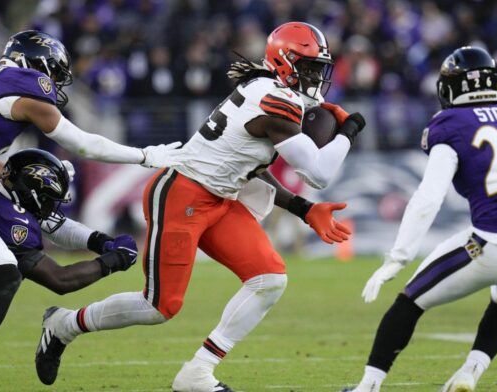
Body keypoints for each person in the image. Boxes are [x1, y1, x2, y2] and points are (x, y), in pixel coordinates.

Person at [34, 22, 364, 392]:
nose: (316, 77)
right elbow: (319, 172)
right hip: (182, 194)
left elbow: (247, 168)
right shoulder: (276, 100)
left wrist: (303, 209)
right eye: (309, 67)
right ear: (285, 62)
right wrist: (349, 131)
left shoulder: (266, 89)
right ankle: (64, 324)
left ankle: (197, 373)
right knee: (159, 306)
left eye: (319, 68)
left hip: (221, 198)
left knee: (269, 278)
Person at [0, 30, 176, 391]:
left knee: (5, 275)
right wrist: (145, 155)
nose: (52, 82)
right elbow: (84, 144)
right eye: (52, 72)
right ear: (36, 64)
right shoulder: (25, 83)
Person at [344, 47, 497, 392]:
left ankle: (366, 388)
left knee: (408, 302)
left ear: (450, 88)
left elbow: (427, 200)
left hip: (491, 244)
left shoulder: (451, 125)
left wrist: (397, 258)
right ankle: (468, 374)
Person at [0, 149, 138, 294]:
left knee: (6, 276)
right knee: (7, 276)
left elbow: (55, 224)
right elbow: (60, 280)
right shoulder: (10, 219)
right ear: (29, 193)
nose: (51, 207)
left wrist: (101, 242)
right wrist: (116, 260)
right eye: (47, 199)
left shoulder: (5, 190)